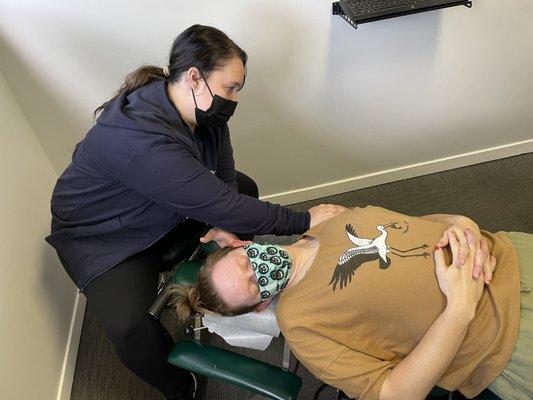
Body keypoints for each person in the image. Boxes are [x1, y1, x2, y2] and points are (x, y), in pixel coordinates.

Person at [45, 24, 346, 400]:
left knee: (244, 190)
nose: (234, 98)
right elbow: (223, 200)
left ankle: (230, 284)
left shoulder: (200, 111)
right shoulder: (141, 141)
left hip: (152, 206)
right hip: (103, 237)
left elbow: (225, 177)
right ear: (194, 78)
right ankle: (180, 388)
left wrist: (221, 219)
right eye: (230, 88)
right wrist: (305, 221)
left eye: (239, 89)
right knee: (130, 329)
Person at [172, 205, 533, 400]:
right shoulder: (301, 325)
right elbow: (393, 394)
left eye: (246, 262)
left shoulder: (327, 220)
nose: (260, 269)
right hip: (507, 336)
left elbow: (415, 224)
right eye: (255, 285)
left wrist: (461, 223)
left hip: (511, 252)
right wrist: (459, 309)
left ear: (242, 246)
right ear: (261, 306)